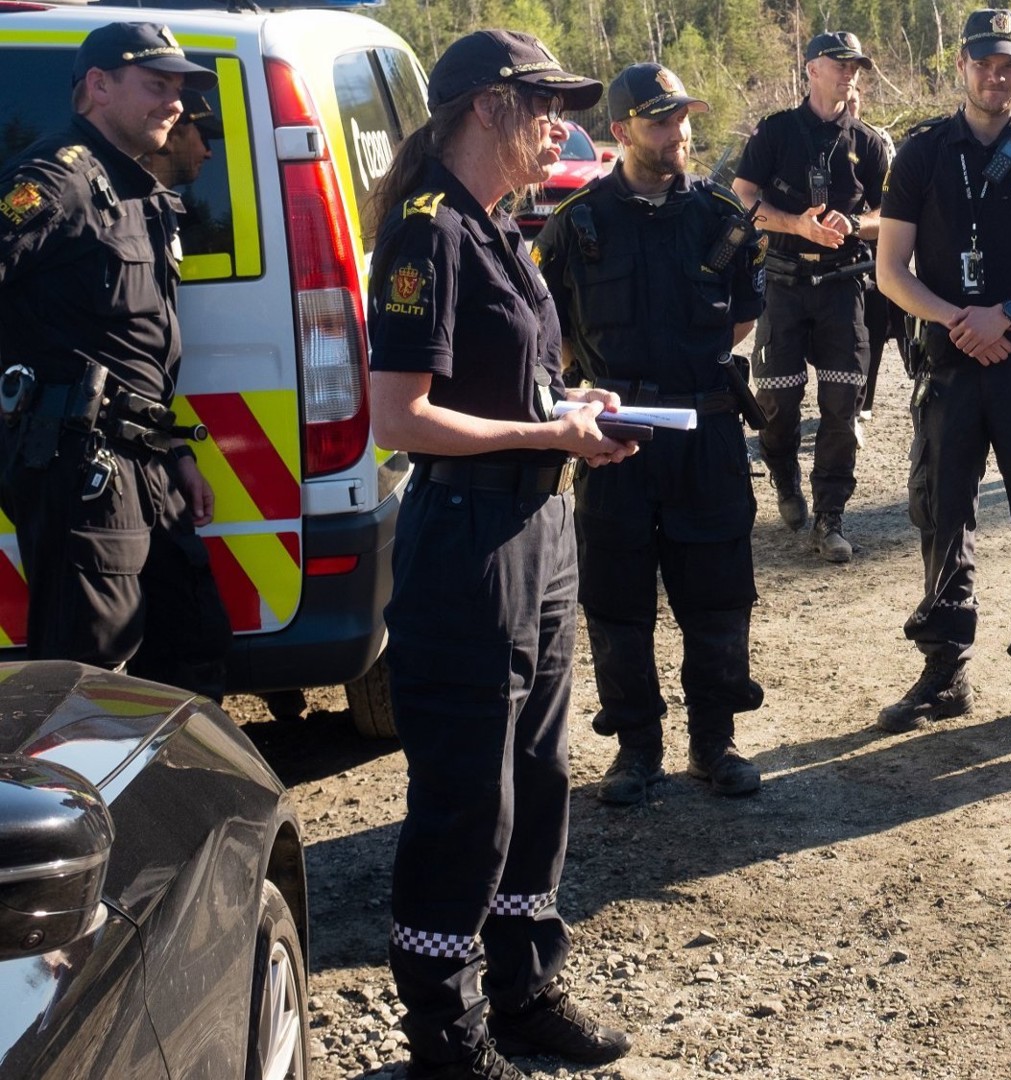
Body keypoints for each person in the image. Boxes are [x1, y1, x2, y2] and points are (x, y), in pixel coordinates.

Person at [363, 30, 635, 1080]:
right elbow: (402, 419)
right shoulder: (426, 231)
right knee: (468, 793)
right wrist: (544, 435)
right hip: (469, 541)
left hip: (537, 529)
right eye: (546, 102)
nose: (563, 123)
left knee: (538, 773)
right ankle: (446, 1030)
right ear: (486, 106)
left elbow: (504, 386)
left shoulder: (496, 227)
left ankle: (521, 992)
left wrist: (572, 407)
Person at [534, 63, 769, 804]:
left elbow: (740, 318)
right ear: (622, 131)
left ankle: (715, 743)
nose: (680, 133)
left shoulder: (723, 217)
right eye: (662, 120)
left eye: (684, 118)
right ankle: (636, 748)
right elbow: (558, 342)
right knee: (616, 597)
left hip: (706, 433)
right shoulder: (576, 226)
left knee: (718, 593)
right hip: (615, 437)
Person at [875, 7, 1011, 738]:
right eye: (983, 62)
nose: (995, 76)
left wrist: (1005, 312)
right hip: (949, 366)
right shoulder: (922, 154)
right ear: (962, 66)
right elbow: (889, 271)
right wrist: (957, 321)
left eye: (1009, 64)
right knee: (941, 516)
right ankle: (945, 671)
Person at [0, 22, 231, 696]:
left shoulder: (139, 193)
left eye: (180, 89)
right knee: (91, 677)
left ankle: (172, 804)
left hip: (146, 461)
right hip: (81, 468)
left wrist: (177, 454)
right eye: (157, 85)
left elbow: (135, 353)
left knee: (192, 646)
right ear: (97, 87)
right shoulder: (55, 179)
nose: (176, 103)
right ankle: (74, 802)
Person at [733, 32, 890, 562]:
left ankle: (830, 518)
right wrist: (796, 225)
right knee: (777, 404)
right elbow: (745, 199)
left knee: (843, 406)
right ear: (811, 69)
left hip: (844, 286)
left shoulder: (867, 141)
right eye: (839, 64)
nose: (849, 73)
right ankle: (782, 477)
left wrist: (856, 223)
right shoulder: (777, 131)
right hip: (782, 282)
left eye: (856, 66)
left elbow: (890, 215)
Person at [849, 84, 902, 422]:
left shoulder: (876, 139)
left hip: (876, 239)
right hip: (841, 242)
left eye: (854, 101)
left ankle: (864, 398)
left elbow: (895, 191)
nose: (849, 107)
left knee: (878, 321)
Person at [146, 88, 218, 189]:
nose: (209, 154)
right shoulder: (123, 198)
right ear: (169, 136)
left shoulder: (165, 203)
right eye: (203, 138)